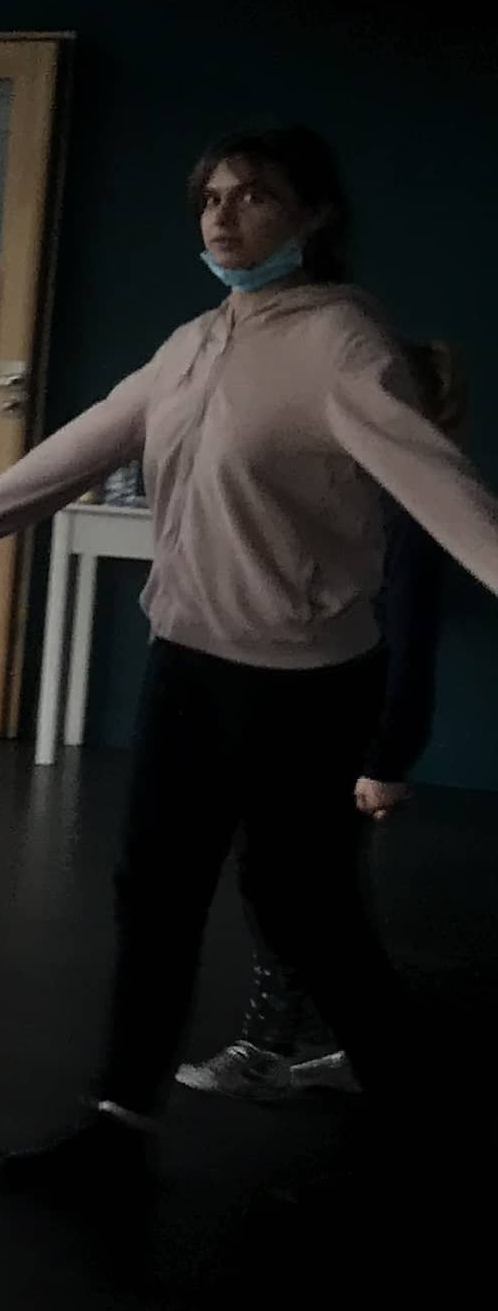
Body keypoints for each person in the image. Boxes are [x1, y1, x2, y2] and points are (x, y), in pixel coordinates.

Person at [0, 134, 498, 1197]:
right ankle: (117, 1119)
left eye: (253, 197)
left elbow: (441, 488)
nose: (223, 215)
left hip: (305, 683)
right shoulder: (197, 341)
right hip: (188, 667)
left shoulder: (341, 342)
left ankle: (415, 1098)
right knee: (155, 892)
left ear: (312, 216)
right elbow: (95, 435)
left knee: (303, 905)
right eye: (211, 197)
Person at [179, 337, 465, 1105]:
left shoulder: (408, 503)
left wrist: (385, 756)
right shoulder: (353, 488)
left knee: (295, 884)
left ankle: (283, 1046)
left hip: (345, 722)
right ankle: (326, 1044)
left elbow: (409, 638)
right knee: (294, 882)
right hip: (302, 709)